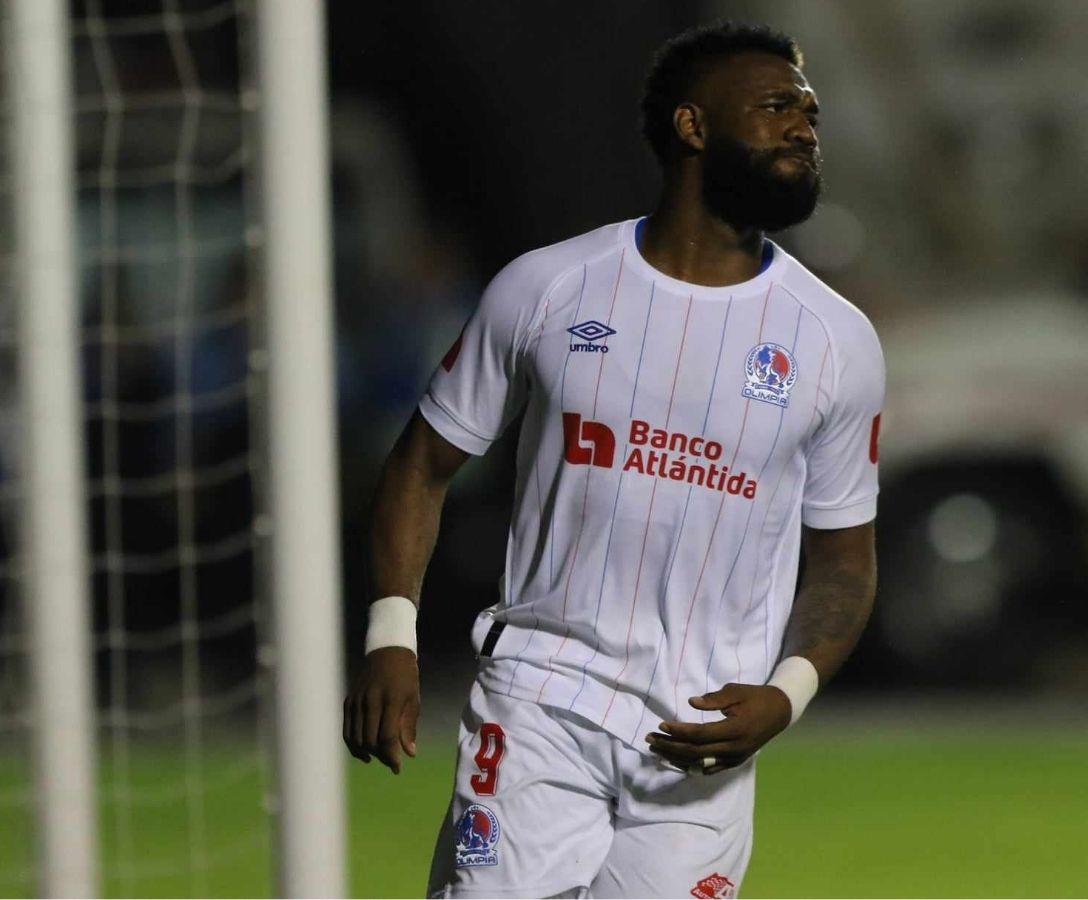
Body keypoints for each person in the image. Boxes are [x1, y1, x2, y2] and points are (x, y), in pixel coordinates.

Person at [344, 21, 884, 899]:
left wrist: (786, 693)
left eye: (810, 113)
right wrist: (390, 638)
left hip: (703, 735)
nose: (803, 127)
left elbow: (845, 561)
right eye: (776, 106)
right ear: (692, 125)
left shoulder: (836, 340)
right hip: (539, 700)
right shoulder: (550, 287)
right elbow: (422, 463)